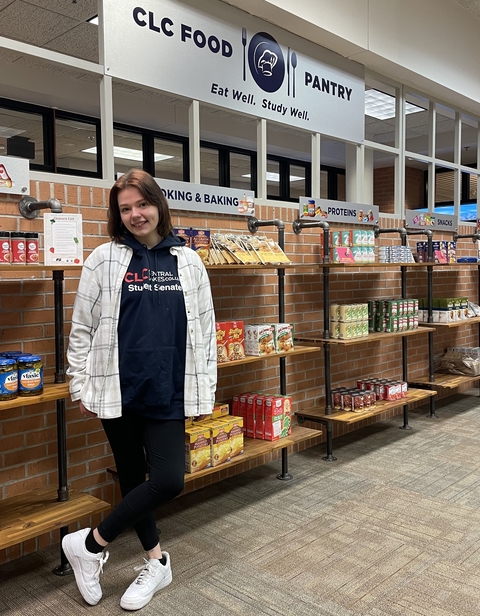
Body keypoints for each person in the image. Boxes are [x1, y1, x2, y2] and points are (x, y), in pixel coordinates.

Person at [62, 169, 217, 611]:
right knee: (132, 475)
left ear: (159, 206)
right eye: (125, 208)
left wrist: (204, 388)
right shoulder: (104, 259)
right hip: (118, 387)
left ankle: (89, 546)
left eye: (142, 204)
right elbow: (82, 329)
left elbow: (204, 330)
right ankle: (156, 561)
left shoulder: (187, 261)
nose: (135, 214)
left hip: (169, 387)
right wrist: (80, 384)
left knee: (167, 479)